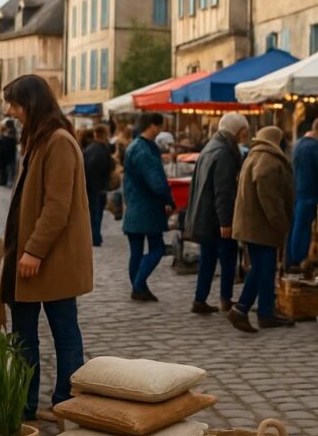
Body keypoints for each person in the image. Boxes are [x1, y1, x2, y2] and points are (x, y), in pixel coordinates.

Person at [0, 74, 91, 422]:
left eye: (15, 103)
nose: (11, 111)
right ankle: (25, 402)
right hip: (26, 259)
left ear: (31, 104)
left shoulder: (59, 142)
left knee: (64, 332)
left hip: (50, 260)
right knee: (24, 336)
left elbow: (57, 206)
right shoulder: (39, 139)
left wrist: (34, 251)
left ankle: (66, 400)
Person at [230, 126, 296, 332]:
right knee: (261, 268)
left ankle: (266, 312)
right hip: (261, 226)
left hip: (253, 225)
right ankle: (241, 309)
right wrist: (280, 223)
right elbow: (269, 196)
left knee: (264, 269)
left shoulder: (255, 156)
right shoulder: (268, 159)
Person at [184, 112, 248, 314]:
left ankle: (200, 298)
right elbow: (224, 191)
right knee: (227, 256)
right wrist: (226, 222)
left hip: (206, 216)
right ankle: (225, 298)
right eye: (244, 132)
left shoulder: (211, 147)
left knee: (208, 258)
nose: (245, 136)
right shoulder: (224, 153)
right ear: (236, 131)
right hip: (215, 218)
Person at [122, 113, 175, 302]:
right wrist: (167, 200)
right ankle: (138, 285)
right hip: (147, 208)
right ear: (154, 126)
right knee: (157, 248)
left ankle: (140, 288)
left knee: (136, 251)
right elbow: (156, 182)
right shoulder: (144, 150)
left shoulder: (135, 147)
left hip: (136, 207)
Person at [288, 116, 318, 268]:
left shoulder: (298, 144)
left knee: (298, 228)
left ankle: (293, 260)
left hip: (300, 193)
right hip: (310, 195)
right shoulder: (314, 147)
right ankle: (300, 261)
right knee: (304, 231)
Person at [82, 124, 115, 247]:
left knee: (95, 212)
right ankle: (95, 237)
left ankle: (95, 236)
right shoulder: (100, 149)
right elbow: (94, 167)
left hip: (93, 185)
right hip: (97, 186)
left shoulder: (91, 148)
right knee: (96, 212)